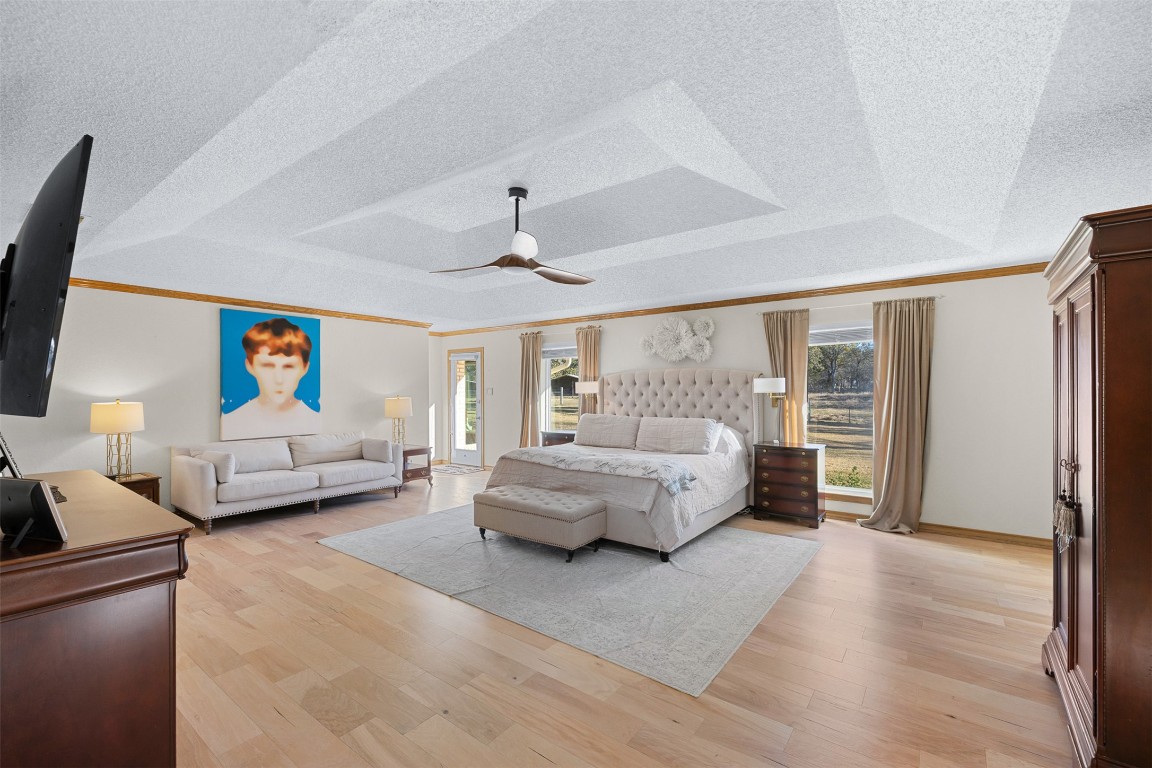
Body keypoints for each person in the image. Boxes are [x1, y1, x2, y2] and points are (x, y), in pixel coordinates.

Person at [220, 318, 320, 439]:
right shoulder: (232, 422)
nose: (278, 379)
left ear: (305, 368)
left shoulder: (314, 420)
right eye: (267, 366)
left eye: (289, 366)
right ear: (249, 366)